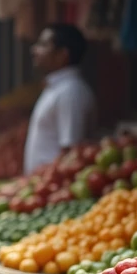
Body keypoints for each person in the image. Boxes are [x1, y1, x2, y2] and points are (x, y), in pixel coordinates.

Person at [25, 23, 94, 174]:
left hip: (53, 184)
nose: (34, 50)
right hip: (41, 184)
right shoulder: (57, 88)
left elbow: (71, 151)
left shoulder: (71, 91)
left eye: (43, 45)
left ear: (62, 54)